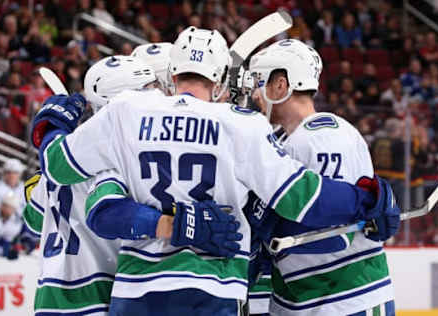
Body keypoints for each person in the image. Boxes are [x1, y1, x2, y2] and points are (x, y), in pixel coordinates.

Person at [31, 27, 397, 316]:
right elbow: (302, 197)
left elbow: (58, 167)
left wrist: (50, 127)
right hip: (214, 291)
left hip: (134, 293)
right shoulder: (240, 124)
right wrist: (365, 198)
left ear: (172, 74)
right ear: (221, 80)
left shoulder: (125, 111)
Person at [248, 39, 399, 315]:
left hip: (346, 297)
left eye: (258, 82)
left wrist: (268, 229)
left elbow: (333, 233)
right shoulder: (283, 139)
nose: (253, 94)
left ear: (281, 86)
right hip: (296, 300)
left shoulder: (326, 137)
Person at [0, 192, 22, 259]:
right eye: (5, 205)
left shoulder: (17, 223)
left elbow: (7, 240)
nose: (7, 209)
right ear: (1, 206)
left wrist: (9, 250)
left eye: (10, 207)